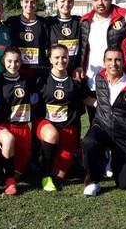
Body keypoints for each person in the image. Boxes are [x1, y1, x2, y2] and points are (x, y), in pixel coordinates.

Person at [82, 47, 126, 196]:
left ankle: (113, 161)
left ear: (124, 62)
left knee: (125, 184)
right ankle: (93, 181)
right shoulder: (99, 78)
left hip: (124, 135)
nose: (114, 63)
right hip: (102, 127)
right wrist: (96, 103)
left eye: (118, 60)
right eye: (109, 60)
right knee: (89, 142)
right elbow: (86, 97)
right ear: (104, 62)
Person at [35, 44, 90, 192]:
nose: (61, 60)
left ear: (69, 58)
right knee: (52, 135)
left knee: (60, 176)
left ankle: (46, 162)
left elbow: (87, 99)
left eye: (64, 57)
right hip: (46, 124)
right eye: (57, 57)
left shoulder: (75, 79)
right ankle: (44, 176)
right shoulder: (41, 77)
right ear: (50, 59)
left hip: (68, 127)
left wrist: (107, 105)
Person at [0, 47, 37, 195]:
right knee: (9, 140)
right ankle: (9, 183)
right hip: (1, 125)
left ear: (21, 62)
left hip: (22, 127)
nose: (13, 64)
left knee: (19, 173)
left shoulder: (27, 80)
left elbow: (35, 99)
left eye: (17, 61)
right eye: (9, 61)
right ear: (3, 61)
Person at [5, 0, 50, 79]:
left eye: (32, 2)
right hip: (17, 69)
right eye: (26, 1)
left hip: (39, 69)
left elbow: (49, 46)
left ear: (37, 3)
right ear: (21, 3)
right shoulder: (12, 22)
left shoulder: (44, 23)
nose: (29, 4)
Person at [48, 0, 82, 73]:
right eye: (62, 1)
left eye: (69, 1)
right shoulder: (48, 23)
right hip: (55, 71)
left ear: (73, 3)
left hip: (76, 71)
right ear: (56, 3)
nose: (66, 4)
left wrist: (80, 66)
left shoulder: (80, 22)